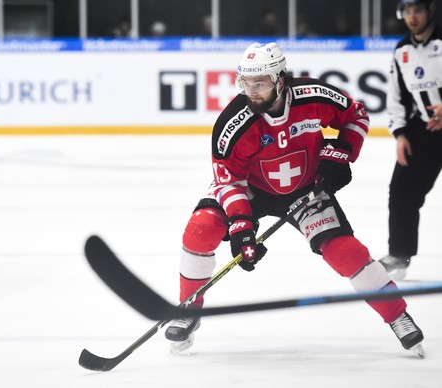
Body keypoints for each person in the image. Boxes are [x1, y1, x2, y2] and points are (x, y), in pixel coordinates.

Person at [164, 42, 425, 358]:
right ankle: (189, 309)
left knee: (346, 254)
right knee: (201, 228)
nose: (251, 91)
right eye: (245, 83)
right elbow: (229, 180)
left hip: (306, 189)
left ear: (280, 79)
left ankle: (397, 315)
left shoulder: (313, 97)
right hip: (251, 189)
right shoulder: (232, 124)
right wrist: (242, 228)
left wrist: (340, 154)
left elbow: (356, 114)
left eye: (259, 83)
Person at [379, 0, 442, 281]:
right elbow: (396, 96)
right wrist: (400, 133)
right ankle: (399, 255)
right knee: (402, 190)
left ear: (430, 11)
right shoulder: (401, 50)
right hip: (423, 131)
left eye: (418, 10)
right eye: (408, 11)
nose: (413, 17)